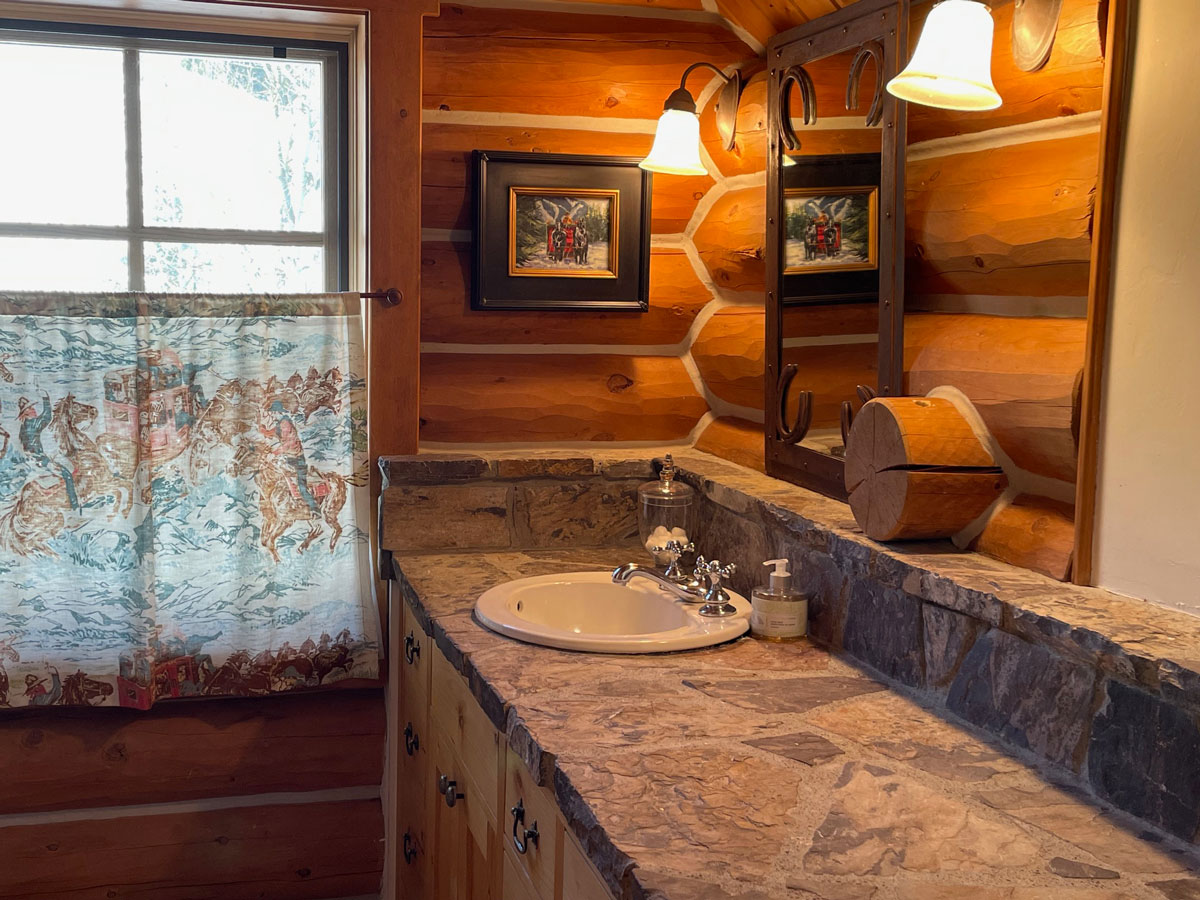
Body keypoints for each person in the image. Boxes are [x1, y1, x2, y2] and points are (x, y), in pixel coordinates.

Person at [18, 394, 79, 510]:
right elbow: (46, 417)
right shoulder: (32, 424)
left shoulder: (25, 425)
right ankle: (74, 505)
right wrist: (46, 399)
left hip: (36, 458)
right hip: (39, 460)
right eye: (30, 408)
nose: (34, 410)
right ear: (25, 412)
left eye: (32, 407)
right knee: (66, 474)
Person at [260, 400, 320, 515]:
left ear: (278, 412)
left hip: (297, 460)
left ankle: (314, 508)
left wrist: (274, 453)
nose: (272, 415)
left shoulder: (286, 425)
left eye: (274, 412)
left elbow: (288, 445)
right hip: (288, 459)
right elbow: (270, 432)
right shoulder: (280, 424)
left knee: (301, 486)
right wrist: (262, 429)